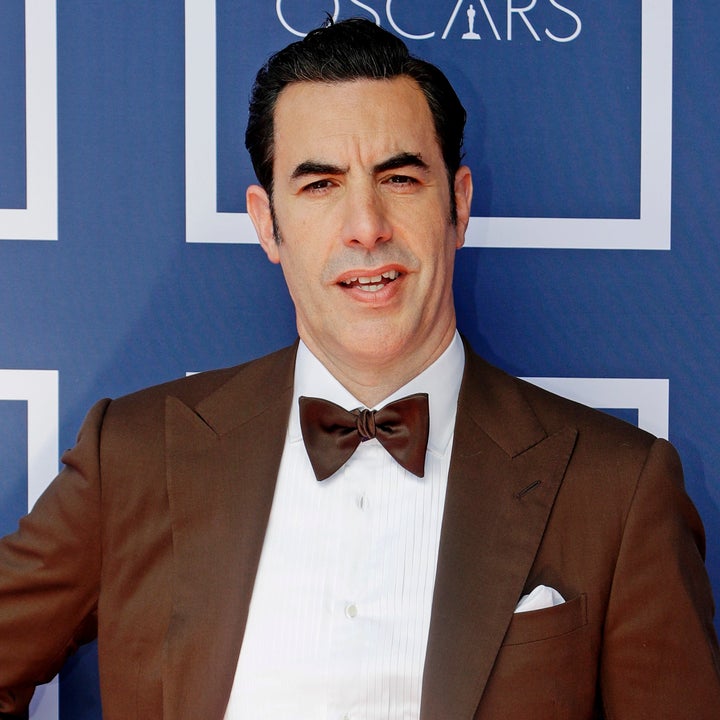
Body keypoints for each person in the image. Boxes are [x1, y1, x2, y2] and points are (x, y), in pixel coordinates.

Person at [1, 17, 719, 720]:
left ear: (458, 205)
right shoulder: (132, 456)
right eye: (319, 185)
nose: (366, 226)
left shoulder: (618, 490)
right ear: (266, 223)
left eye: (400, 178)